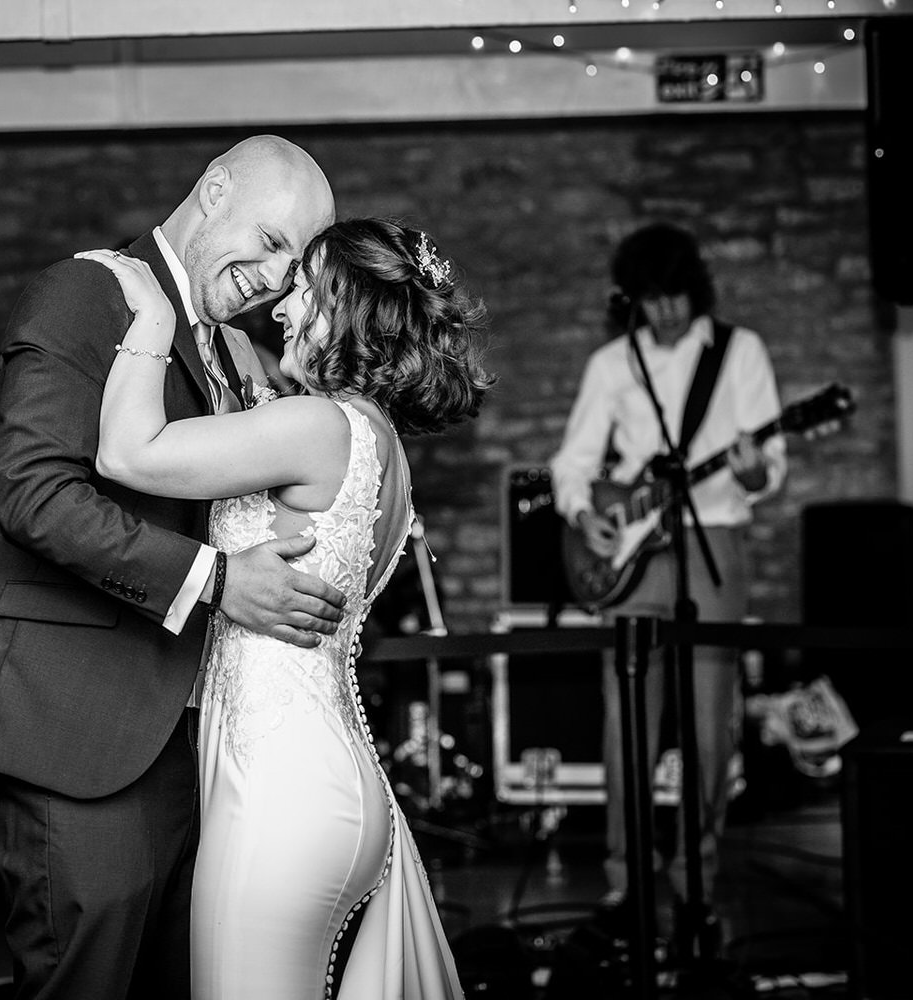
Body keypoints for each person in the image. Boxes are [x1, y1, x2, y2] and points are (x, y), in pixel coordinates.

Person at [0, 135, 350, 999]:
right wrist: (223, 582)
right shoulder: (86, 292)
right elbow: (34, 495)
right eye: (268, 242)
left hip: (179, 739)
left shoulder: (227, 346)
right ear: (213, 189)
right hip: (71, 732)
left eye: (292, 264)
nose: (273, 280)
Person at [78, 215, 491, 998]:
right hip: (326, 780)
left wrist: (154, 323)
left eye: (301, 287)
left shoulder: (316, 426)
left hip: (282, 792)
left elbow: (127, 454)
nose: (280, 306)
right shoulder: (376, 444)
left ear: (345, 304)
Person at [548, 222, 786, 951]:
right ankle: (628, 880)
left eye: (677, 296)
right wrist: (586, 515)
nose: (668, 312)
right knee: (627, 723)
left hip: (714, 540)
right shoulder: (612, 363)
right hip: (634, 548)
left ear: (697, 289)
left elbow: (767, 466)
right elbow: (571, 464)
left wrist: (749, 468)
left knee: (711, 728)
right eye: (652, 300)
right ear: (635, 301)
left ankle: (696, 883)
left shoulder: (739, 352)